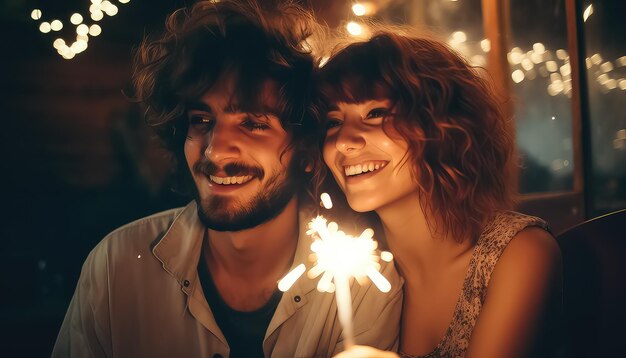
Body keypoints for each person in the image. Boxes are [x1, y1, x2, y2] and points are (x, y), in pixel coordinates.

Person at [52, 1, 402, 357]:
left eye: (253, 124)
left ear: (308, 152)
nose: (215, 152)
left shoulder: (364, 285)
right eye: (202, 121)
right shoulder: (116, 267)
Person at [318, 31, 562, 357]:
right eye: (333, 121)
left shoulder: (517, 254)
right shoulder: (344, 271)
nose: (344, 141)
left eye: (375, 113)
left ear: (441, 125)